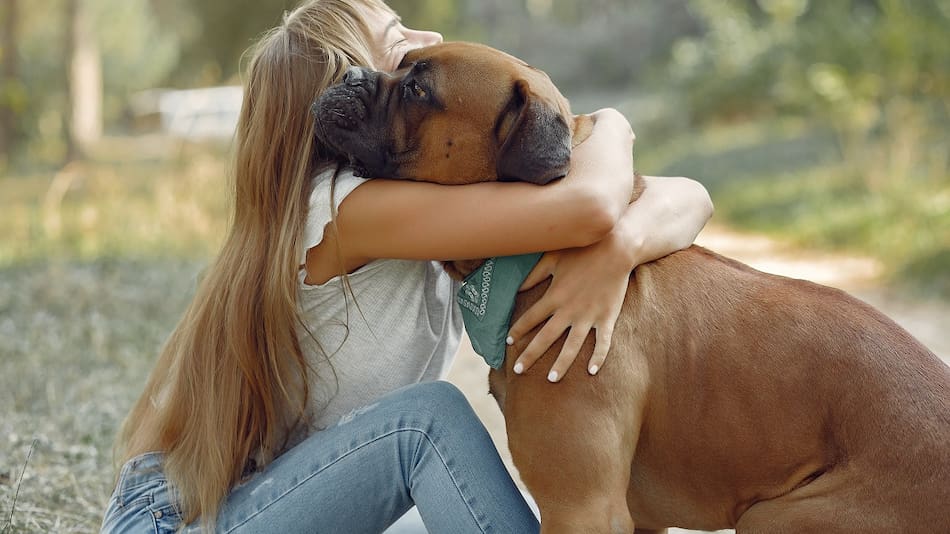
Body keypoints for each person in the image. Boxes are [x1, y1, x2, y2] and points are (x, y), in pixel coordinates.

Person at [100, 1, 714, 532]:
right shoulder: (346, 210)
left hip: (278, 501)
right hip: (175, 520)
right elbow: (590, 204)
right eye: (399, 49)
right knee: (428, 423)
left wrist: (621, 246)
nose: (432, 40)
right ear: (349, 84)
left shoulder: (426, 195)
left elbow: (688, 197)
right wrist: (612, 125)